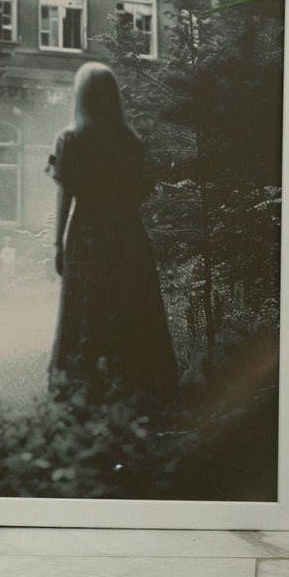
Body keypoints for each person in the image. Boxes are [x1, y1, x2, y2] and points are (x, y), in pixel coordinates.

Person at [47, 61, 178, 408]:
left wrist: (57, 243)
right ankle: (138, 387)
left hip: (87, 235)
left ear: (80, 96)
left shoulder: (69, 140)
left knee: (83, 307)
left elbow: (65, 194)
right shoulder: (130, 141)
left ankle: (82, 388)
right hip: (127, 234)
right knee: (131, 305)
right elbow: (140, 190)